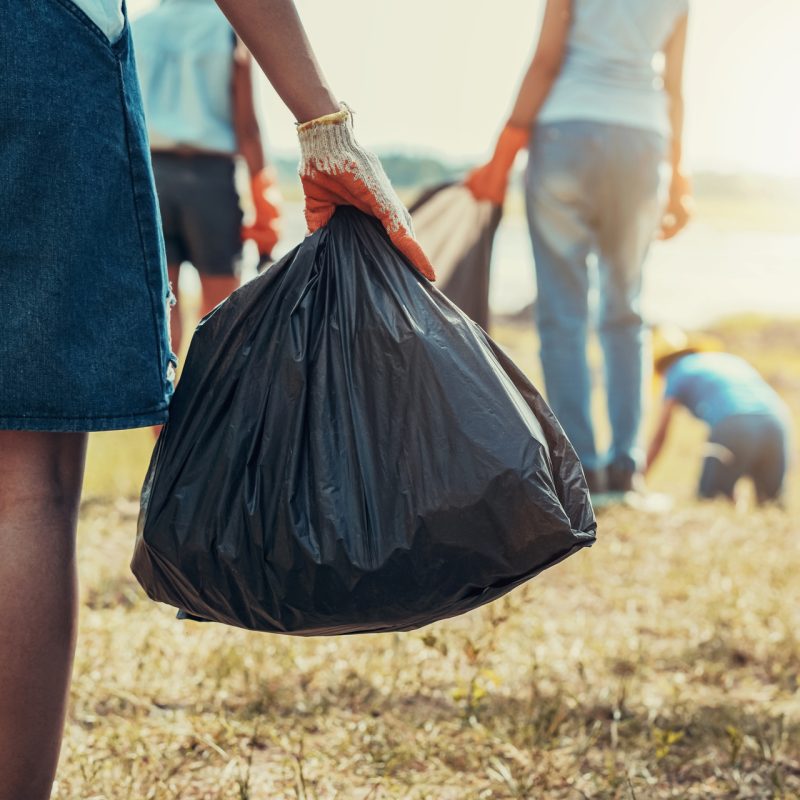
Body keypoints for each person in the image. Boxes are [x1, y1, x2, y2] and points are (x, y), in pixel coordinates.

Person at [0, 1, 432, 797]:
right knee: (29, 485)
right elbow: (240, 105)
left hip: (146, 150)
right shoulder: (205, 25)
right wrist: (323, 125)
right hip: (43, 54)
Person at [467, 0, 692, 494]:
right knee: (625, 309)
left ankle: (582, 468)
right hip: (642, 141)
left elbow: (547, 59)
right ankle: (625, 469)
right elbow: (673, 90)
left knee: (563, 312)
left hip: (567, 128)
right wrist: (676, 181)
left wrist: (502, 158)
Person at [132, 0, 282, 356]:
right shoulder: (229, 26)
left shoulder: (139, 27)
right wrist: (265, 216)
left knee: (161, 312)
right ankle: (214, 407)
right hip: (212, 181)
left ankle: (164, 407)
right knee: (222, 314)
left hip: (152, 175)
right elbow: (248, 128)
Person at [646, 329, 791, 504]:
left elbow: (660, 436)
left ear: (660, 364)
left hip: (735, 424)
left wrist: (640, 477)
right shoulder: (728, 360)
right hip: (776, 421)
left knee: (712, 500)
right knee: (770, 502)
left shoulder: (676, 372)